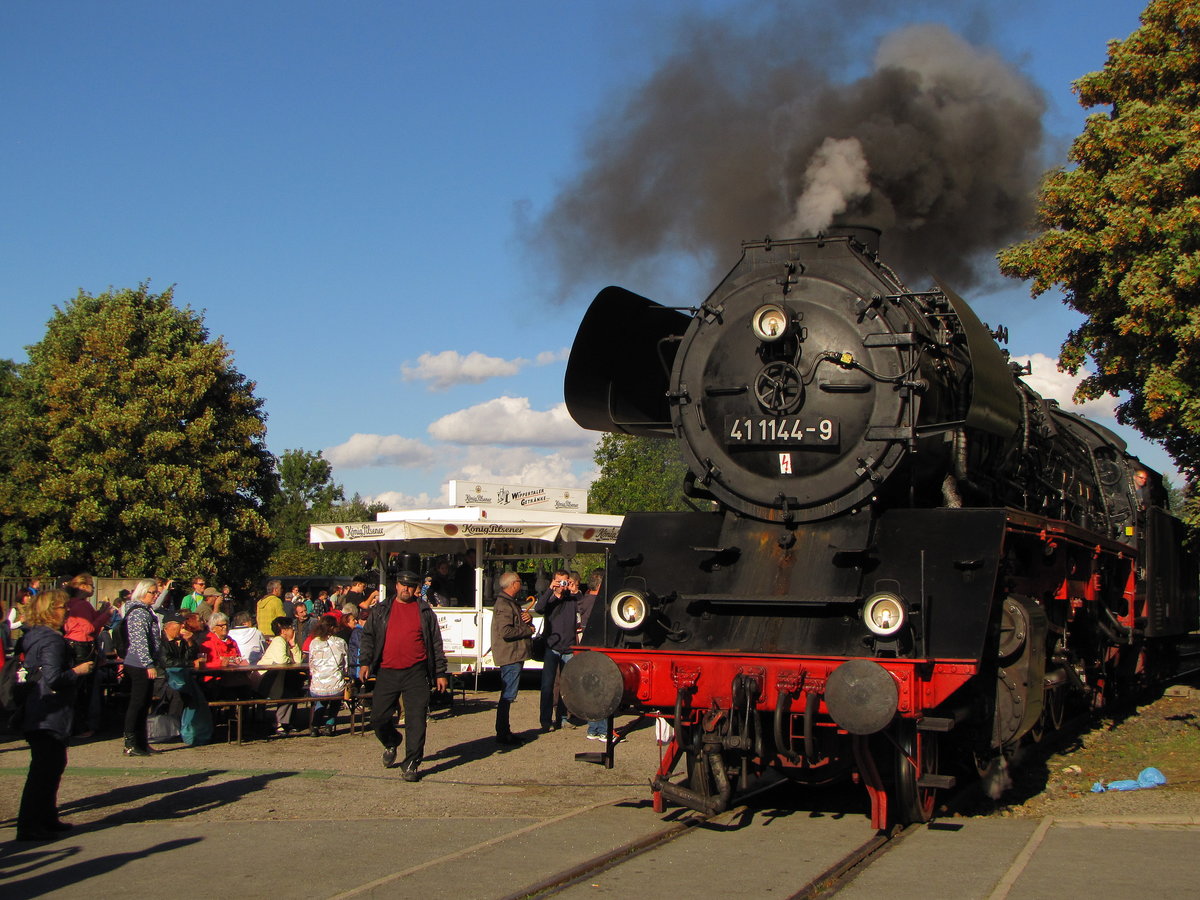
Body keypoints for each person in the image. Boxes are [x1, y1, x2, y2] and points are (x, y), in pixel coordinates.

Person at [14, 589, 95, 842]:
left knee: (51, 765)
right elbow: (53, 677)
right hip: (49, 709)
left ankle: (47, 817)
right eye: (62, 608)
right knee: (45, 768)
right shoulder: (51, 640)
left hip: (38, 708)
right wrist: (78, 670)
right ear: (50, 611)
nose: (67, 612)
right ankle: (30, 824)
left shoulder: (34, 636)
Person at [359, 570, 449, 781]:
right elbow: (368, 637)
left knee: (416, 719)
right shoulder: (381, 610)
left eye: (410, 586)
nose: (406, 589)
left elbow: (436, 643)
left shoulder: (424, 611)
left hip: (416, 672)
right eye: (403, 585)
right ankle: (391, 740)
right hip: (387, 671)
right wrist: (365, 662)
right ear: (396, 586)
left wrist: (440, 672)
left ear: (415, 588)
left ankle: (411, 763)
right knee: (378, 717)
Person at [491, 571, 533, 745]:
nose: (521, 584)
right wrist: (527, 630)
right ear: (512, 584)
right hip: (510, 655)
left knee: (508, 694)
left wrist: (526, 620)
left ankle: (504, 731)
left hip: (513, 654)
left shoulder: (509, 603)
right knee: (508, 695)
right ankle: (503, 733)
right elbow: (506, 632)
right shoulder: (504, 605)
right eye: (519, 581)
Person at [121, 578, 162, 757]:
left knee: (144, 703)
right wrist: (148, 664)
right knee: (137, 703)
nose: (155, 596)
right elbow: (140, 642)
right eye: (152, 592)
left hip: (144, 662)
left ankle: (142, 742)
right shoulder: (138, 613)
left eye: (156, 593)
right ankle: (130, 743)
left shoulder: (147, 611)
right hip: (138, 664)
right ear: (142, 592)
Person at [535, 569, 577, 732]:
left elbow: (585, 607)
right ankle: (546, 720)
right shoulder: (550, 599)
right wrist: (550, 590)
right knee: (547, 685)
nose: (562, 585)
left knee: (567, 686)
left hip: (569, 647)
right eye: (559, 581)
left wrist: (576, 591)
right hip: (552, 647)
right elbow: (538, 608)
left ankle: (563, 717)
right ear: (554, 581)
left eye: (565, 581)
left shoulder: (572, 598)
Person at [575, 569, 613, 741]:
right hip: (598, 646)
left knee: (591, 688)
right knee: (603, 688)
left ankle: (592, 728)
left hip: (585, 648)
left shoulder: (583, 600)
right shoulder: (599, 603)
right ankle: (604, 730)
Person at [258, 616, 304, 736]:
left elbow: (298, 661)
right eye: (291, 628)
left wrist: (294, 645)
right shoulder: (278, 640)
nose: (293, 630)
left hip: (278, 678)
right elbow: (281, 660)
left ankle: (285, 722)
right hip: (266, 679)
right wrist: (291, 660)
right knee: (289, 691)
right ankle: (280, 722)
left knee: (293, 689)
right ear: (283, 630)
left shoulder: (286, 642)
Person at [307, 617, 348, 736]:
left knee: (321, 697)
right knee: (335, 696)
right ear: (332, 628)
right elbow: (345, 666)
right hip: (336, 686)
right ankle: (329, 724)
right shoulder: (340, 642)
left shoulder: (313, 642)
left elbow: (311, 665)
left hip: (317, 686)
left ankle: (315, 725)